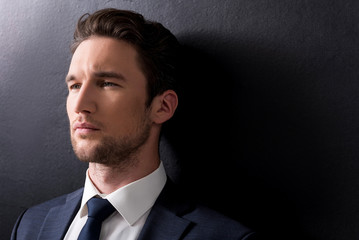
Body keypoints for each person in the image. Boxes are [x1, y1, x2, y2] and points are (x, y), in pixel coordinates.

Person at [11, 8, 256, 240]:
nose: (80, 104)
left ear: (162, 107)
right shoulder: (30, 225)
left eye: (107, 83)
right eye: (75, 86)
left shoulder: (223, 236)